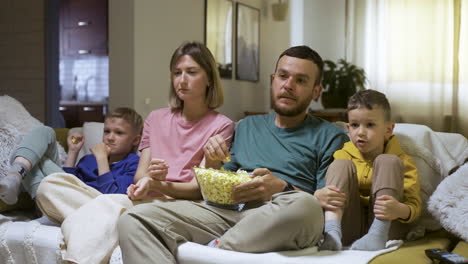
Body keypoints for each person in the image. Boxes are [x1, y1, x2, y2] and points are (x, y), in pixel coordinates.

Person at [117, 45, 349, 264]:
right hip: (225, 212)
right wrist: (212, 160)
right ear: (272, 80)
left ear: (316, 90)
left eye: (300, 80)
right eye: (283, 76)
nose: (288, 85)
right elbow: (214, 189)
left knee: (304, 206)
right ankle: (225, 247)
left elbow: (322, 201)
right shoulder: (246, 126)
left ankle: (215, 250)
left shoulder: (331, 136)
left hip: (281, 214)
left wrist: (281, 188)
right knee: (134, 219)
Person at [36, 41, 235, 264]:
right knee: (50, 185)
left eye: (191, 72)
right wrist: (151, 178)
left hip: (177, 208)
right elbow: (141, 175)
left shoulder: (221, 125)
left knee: (109, 204)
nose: (182, 79)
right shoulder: (156, 118)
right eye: (177, 73)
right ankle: (108, 219)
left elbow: (200, 191)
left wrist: (158, 185)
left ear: (209, 78)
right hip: (142, 199)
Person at [318, 89, 421, 251]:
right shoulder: (343, 154)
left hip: (387, 228)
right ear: (348, 128)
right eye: (354, 125)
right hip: (350, 228)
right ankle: (332, 233)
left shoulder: (402, 161)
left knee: (388, 161)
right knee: (340, 164)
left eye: (370, 125)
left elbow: (414, 207)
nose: (361, 132)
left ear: (388, 129)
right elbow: (333, 192)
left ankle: (377, 233)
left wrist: (399, 209)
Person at [1, 107, 142, 207]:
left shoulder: (134, 164)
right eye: (107, 131)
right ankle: (15, 175)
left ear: (135, 140)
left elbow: (112, 197)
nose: (110, 138)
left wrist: (102, 159)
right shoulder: (88, 160)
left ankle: (45, 207)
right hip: (64, 196)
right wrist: (73, 152)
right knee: (44, 133)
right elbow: (67, 181)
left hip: (86, 204)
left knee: (36, 158)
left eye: (119, 133)